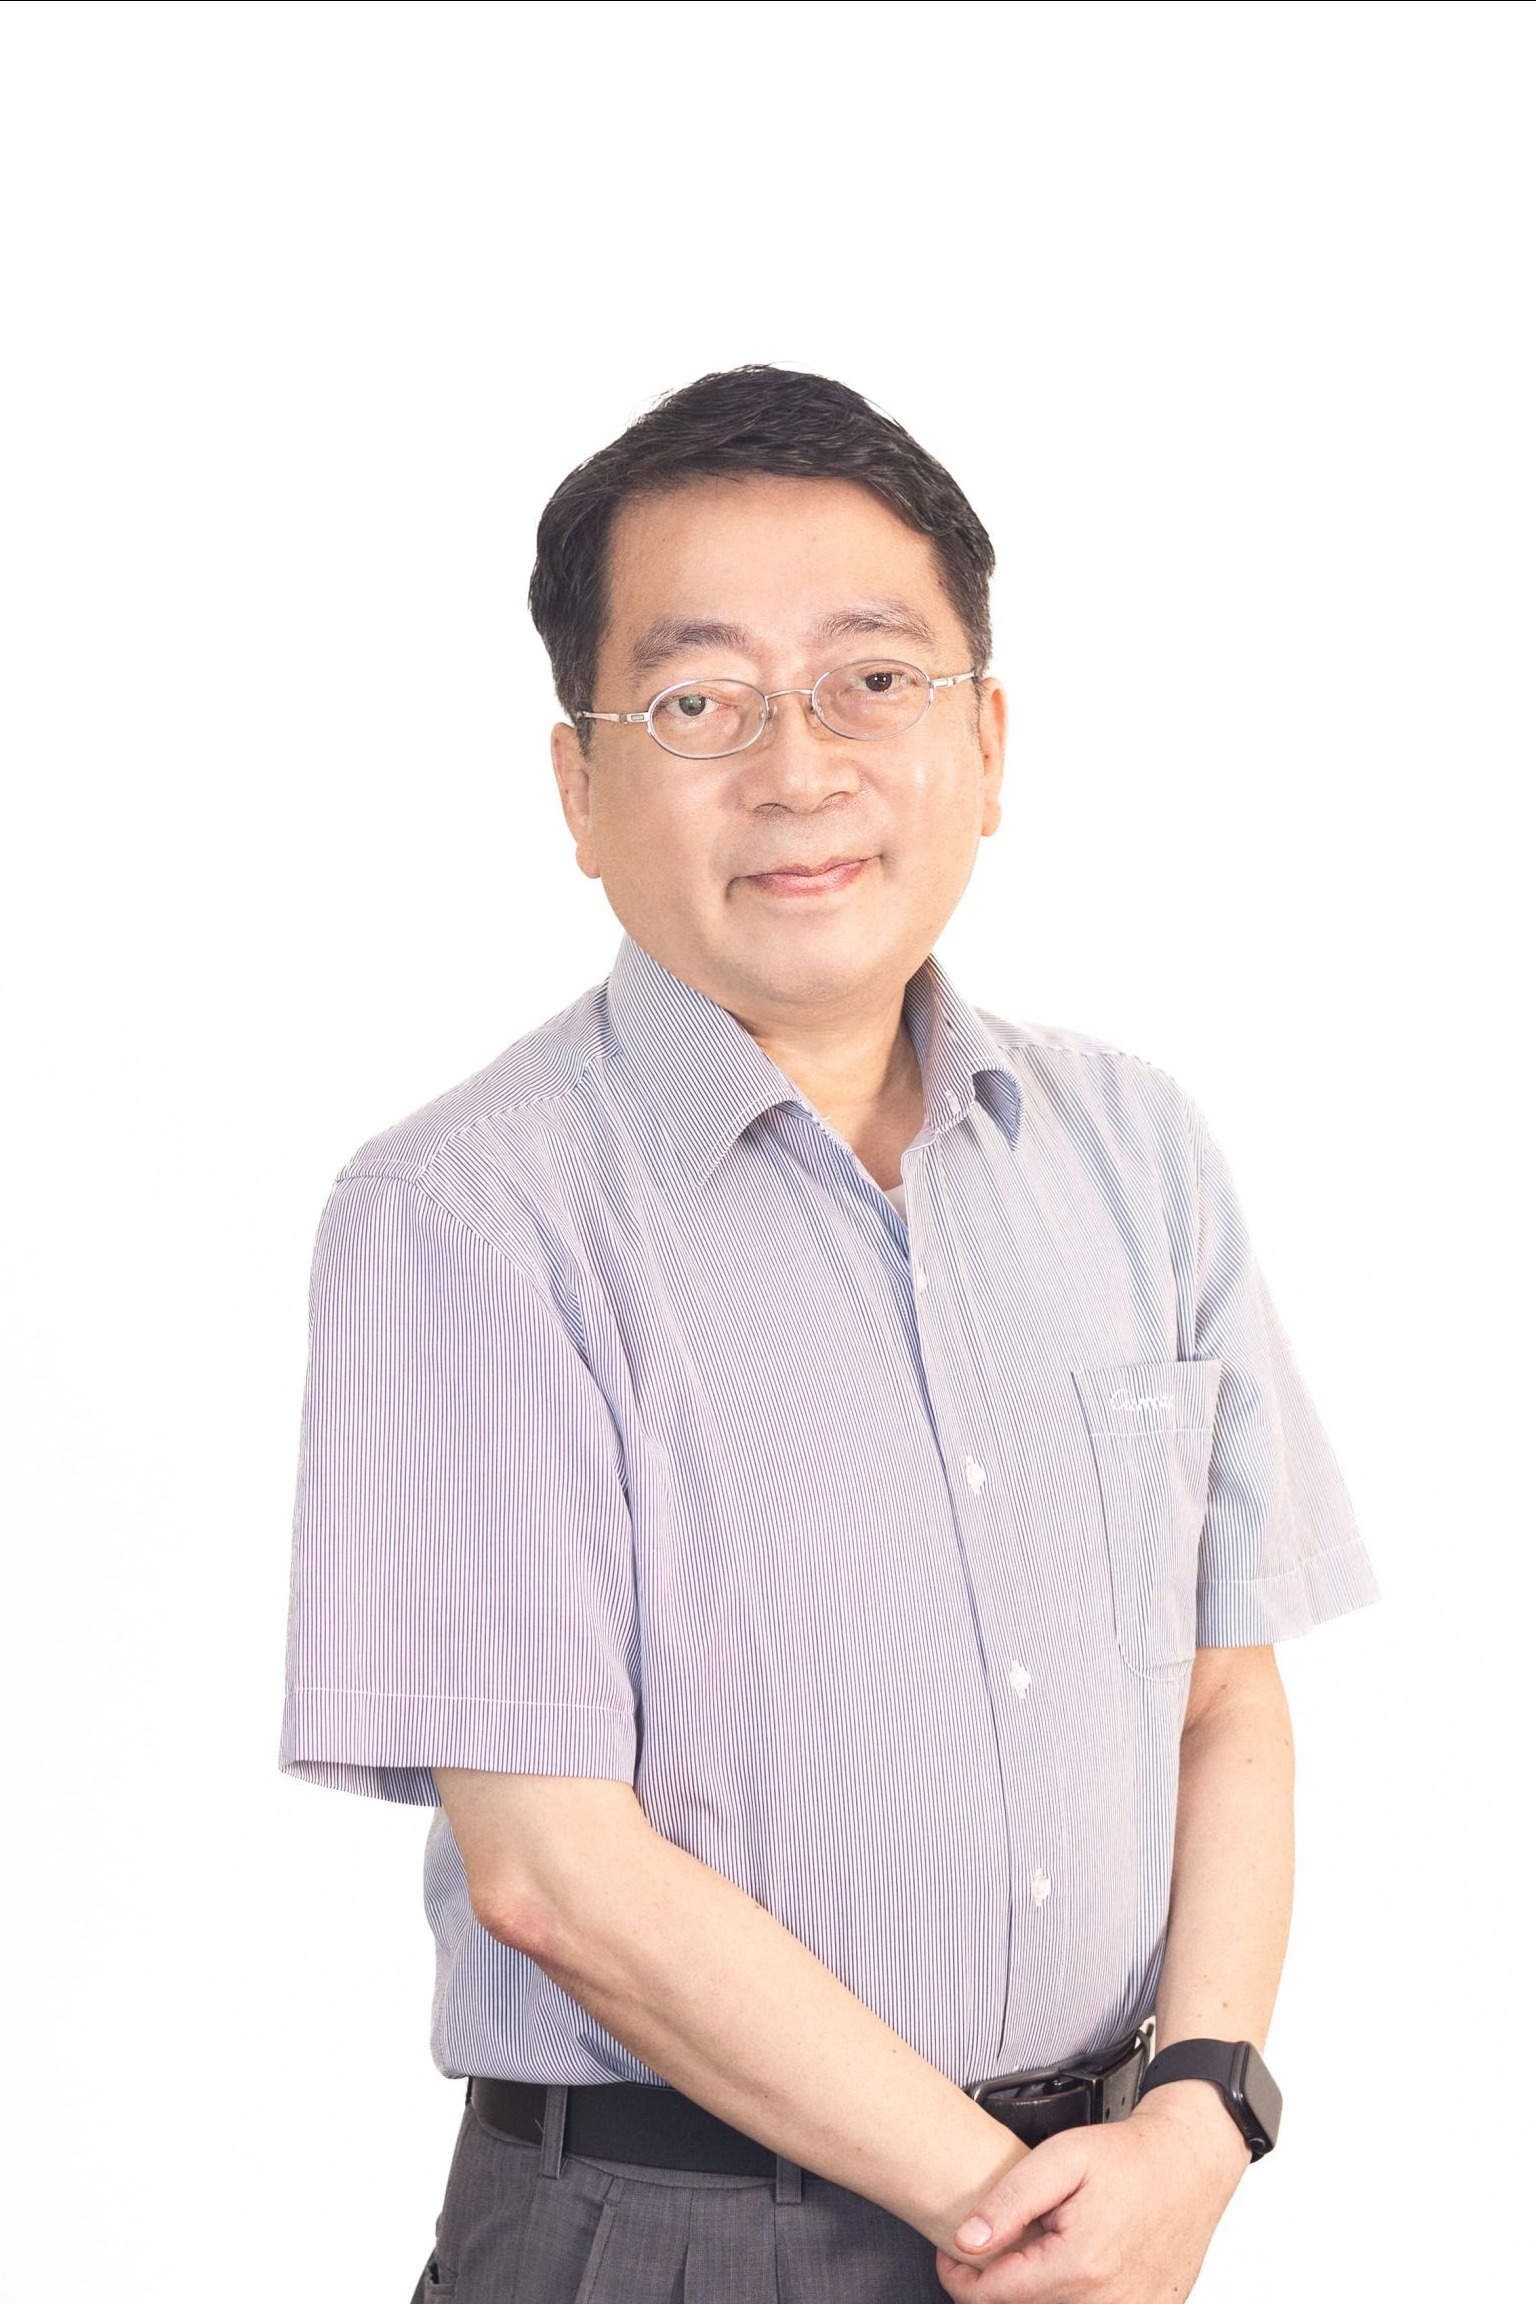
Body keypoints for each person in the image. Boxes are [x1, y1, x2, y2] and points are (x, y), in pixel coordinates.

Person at [278, 364, 1379, 2304]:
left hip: (1111, 2198)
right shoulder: (466, 1216)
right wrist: (1022, 2211)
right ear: (580, 789)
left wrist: (1202, 2117)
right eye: (700, 702)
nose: (800, 771)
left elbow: (1225, 1701)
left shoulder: (1137, 1153)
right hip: (674, 2238)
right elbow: (552, 1871)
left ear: (988, 743)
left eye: (874, 680)